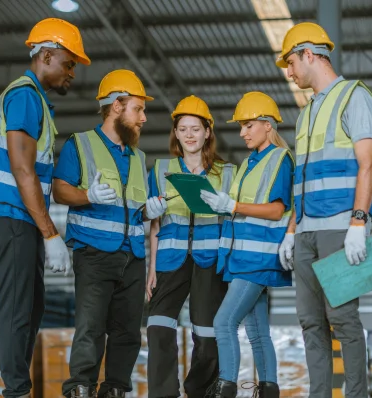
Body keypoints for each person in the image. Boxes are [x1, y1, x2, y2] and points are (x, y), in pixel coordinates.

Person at [0, 18, 90, 398]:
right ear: (47, 55)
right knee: (18, 308)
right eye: (68, 64)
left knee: (31, 306)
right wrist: (50, 232)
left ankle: (18, 388)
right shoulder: (24, 96)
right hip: (6, 214)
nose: (72, 73)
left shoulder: (36, 99)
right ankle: (17, 392)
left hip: (17, 215)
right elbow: (22, 170)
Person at [275, 22, 372, 398]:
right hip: (305, 232)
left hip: (340, 227)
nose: (289, 72)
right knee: (309, 322)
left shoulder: (354, 96)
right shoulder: (305, 115)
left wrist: (358, 223)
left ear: (309, 54)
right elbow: (299, 182)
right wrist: (290, 231)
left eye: (290, 62)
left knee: (343, 319)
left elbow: (368, 164)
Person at [53, 69, 166, 398]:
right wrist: (88, 196)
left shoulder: (138, 157)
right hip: (94, 252)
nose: (143, 118)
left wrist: (150, 211)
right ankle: (81, 388)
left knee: (128, 332)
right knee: (90, 327)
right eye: (138, 109)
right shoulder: (81, 144)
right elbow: (60, 190)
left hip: (132, 255)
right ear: (117, 106)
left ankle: (115, 389)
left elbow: (135, 207)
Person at [200, 92, 294, 398]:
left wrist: (234, 205)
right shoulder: (249, 164)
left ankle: (225, 388)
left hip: (257, 258)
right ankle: (268, 390)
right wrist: (224, 205)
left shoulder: (279, 159)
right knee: (257, 332)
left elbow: (277, 210)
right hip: (243, 258)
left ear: (268, 126)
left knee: (223, 322)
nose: (242, 132)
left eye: (248, 125)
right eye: (241, 126)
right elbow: (239, 210)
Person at [146, 95, 236, 398]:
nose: (189, 135)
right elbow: (154, 225)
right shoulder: (161, 169)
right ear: (175, 133)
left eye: (195, 129)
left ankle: (199, 392)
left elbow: (235, 220)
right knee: (158, 327)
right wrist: (151, 270)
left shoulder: (226, 174)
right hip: (170, 259)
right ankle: (163, 394)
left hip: (210, 261)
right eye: (182, 129)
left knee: (208, 336)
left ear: (208, 132)